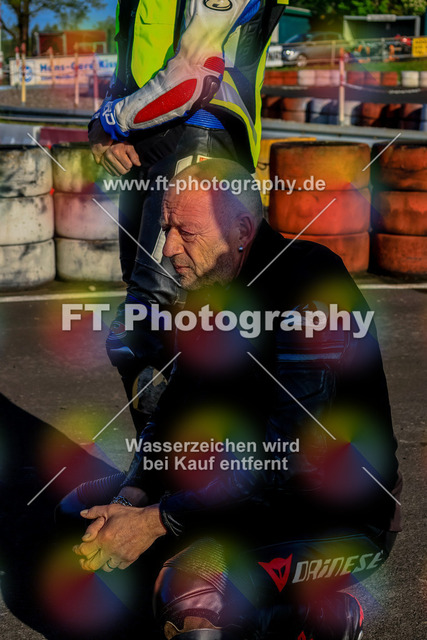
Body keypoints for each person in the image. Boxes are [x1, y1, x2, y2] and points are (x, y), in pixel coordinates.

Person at [69, 160, 402, 640]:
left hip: (335, 518)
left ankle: (324, 618)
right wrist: (133, 493)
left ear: (242, 231)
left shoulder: (310, 285)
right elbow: (174, 409)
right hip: (249, 497)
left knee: (191, 594)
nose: (168, 248)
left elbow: (289, 459)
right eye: (166, 229)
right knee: (79, 519)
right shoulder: (210, 289)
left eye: (185, 232)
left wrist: (156, 520)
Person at [88, 0, 290, 434]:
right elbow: (129, 67)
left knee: (142, 331)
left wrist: (110, 121)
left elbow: (193, 75)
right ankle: (193, 464)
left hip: (200, 144)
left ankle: (169, 470)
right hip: (144, 150)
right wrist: (101, 129)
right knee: (174, 322)